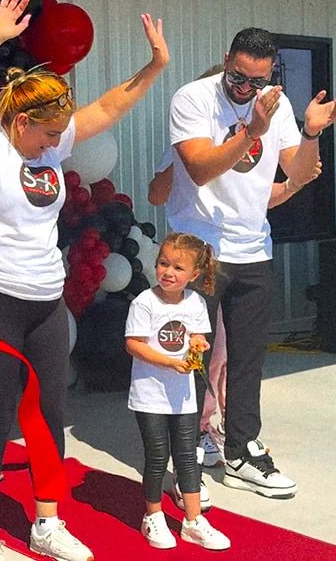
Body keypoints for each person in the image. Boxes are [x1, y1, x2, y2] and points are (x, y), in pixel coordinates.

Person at [0, 0, 168, 561]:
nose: (56, 144)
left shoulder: (46, 145)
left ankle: (46, 523)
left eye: (58, 135)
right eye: (47, 134)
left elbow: (110, 106)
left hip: (44, 301)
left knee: (49, 415)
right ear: (20, 121)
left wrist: (153, 67)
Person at [168, 27, 336, 499]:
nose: (245, 89)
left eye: (256, 81)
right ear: (226, 59)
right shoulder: (193, 98)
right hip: (199, 248)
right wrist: (252, 130)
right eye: (238, 77)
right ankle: (183, 458)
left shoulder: (276, 103)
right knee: (189, 357)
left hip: (253, 248)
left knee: (248, 360)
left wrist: (311, 131)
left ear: (270, 74)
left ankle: (241, 450)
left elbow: (299, 172)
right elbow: (201, 168)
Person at [125, 232, 230, 551]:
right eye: (162, 263)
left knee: (187, 457)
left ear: (195, 275)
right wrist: (171, 362)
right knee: (157, 456)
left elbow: (199, 335)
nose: (168, 272)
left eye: (178, 268)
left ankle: (193, 520)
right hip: (149, 395)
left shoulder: (196, 302)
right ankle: (153, 514)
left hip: (184, 396)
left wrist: (199, 343)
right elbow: (134, 344)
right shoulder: (144, 302)